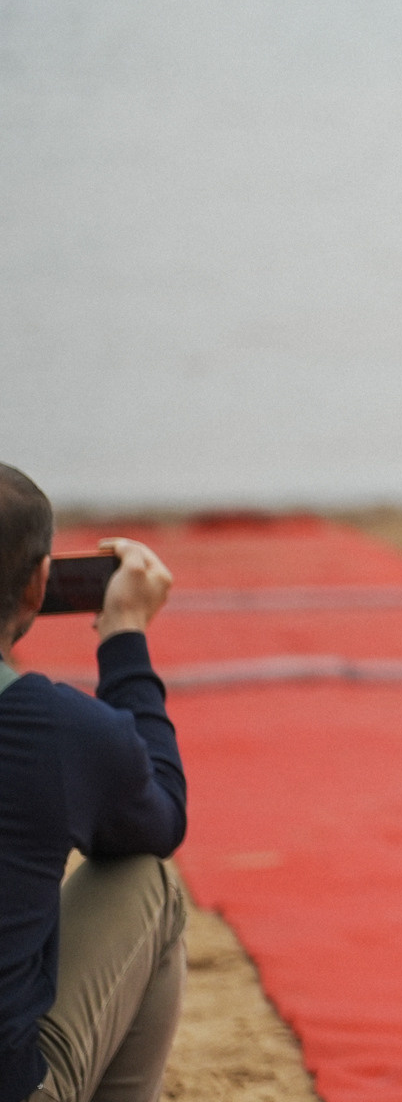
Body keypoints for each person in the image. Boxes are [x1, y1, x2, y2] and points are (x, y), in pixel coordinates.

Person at [0, 466, 187, 1102]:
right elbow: (160, 818)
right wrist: (125, 634)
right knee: (148, 880)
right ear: (39, 585)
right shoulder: (54, 728)